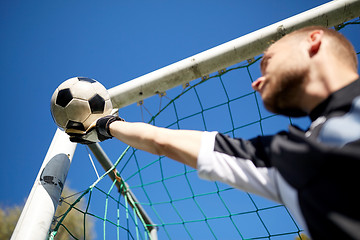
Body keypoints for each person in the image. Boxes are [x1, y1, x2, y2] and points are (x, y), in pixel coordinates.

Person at [67, 26, 360, 239]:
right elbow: (164, 142)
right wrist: (107, 125)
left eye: (267, 62)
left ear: (314, 40)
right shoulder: (287, 157)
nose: (256, 83)